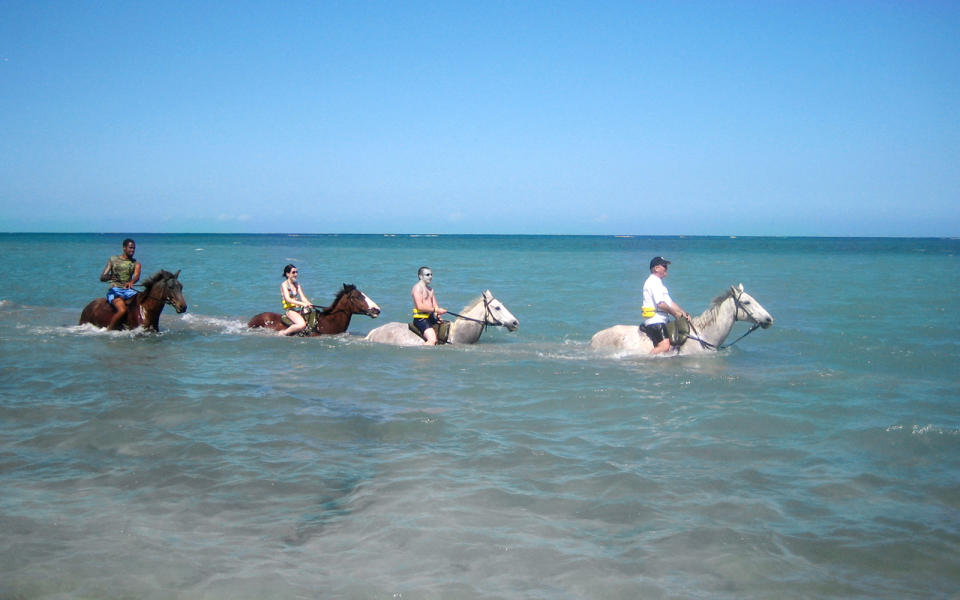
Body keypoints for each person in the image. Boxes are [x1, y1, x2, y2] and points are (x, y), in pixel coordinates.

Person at [640, 256, 691, 355]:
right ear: (656, 268)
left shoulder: (660, 284)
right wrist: (675, 314)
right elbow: (661, 304)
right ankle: (646, 361)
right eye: (664, 266)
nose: (666, 269)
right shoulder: (652, 282)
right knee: (665, 346)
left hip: (663, 319)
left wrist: (683, 313)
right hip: (655, 320)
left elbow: (670, 303)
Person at [99, 238, 142, 330]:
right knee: (122, 310)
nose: (132, 250)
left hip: (128, 291)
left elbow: (137, 276)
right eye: (130, 248)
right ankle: (109, 330)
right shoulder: (113, 259)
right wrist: (110, 277)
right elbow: (102, 277)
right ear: (124, 248)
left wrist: (132, 282)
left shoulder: (136, 263)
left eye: (134, 248)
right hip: (115, 290)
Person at [411, 266, 447, 345]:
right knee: (432, 340)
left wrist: (438, 314)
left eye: (431, 274)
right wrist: (436, 310)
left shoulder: (430, 289)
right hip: (421, 319)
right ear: (420, 276)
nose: (430, 277)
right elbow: (419, 307)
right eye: (427, 275)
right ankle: (422, 356)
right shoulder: (417, 288)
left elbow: (435, 306)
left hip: (431, 317)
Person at [278, 264, 313, 336]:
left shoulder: (297, 284)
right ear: (287, 274)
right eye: (293, 272)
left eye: (297, 272)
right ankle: (283, 333)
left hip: (299, 309)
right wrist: (302, 304)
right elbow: (288, 299)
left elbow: (303, 297)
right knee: (302, 325)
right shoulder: (284, 285)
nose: (296, 274)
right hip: (290, 310)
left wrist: (308, 303)